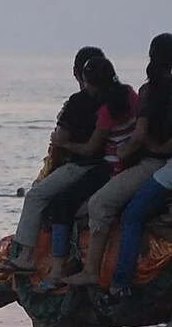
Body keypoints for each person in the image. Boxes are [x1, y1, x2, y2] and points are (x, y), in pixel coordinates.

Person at [72, 33, 172, 294]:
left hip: (156, 162)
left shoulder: (150, 90)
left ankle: (98, 273)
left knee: (100, 204)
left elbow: (138, 137)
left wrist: (127, 151)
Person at [39, 54, 136, 286]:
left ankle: (60, 270)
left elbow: (91, 147)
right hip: (127, 163)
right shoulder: (131, 95)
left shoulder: (106, 112)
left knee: (62, 203)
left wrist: (64, 144)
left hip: (111, 168)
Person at [10, 47, 109, 273]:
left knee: (36, 196)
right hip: (106, 166)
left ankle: (26, 256)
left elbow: (60, 139)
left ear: (78, 74)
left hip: (82, 164)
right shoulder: (114, 99)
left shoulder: (78, 101)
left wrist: (62, 141)